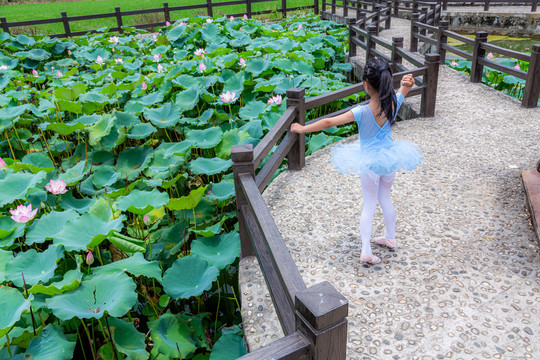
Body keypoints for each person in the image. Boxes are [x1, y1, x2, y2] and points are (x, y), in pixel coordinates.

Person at [290, 57, 421, 265]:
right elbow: (404, 90)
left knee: (369, 205)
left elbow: (329, 121)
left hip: (369, 164)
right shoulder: (394, 102)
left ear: (366, 85)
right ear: (387, 81)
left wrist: (302, 128)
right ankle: (390, 237)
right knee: (385, 198)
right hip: (389, 160)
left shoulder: (361, 112)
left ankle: (366, 250)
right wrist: (407, 84)